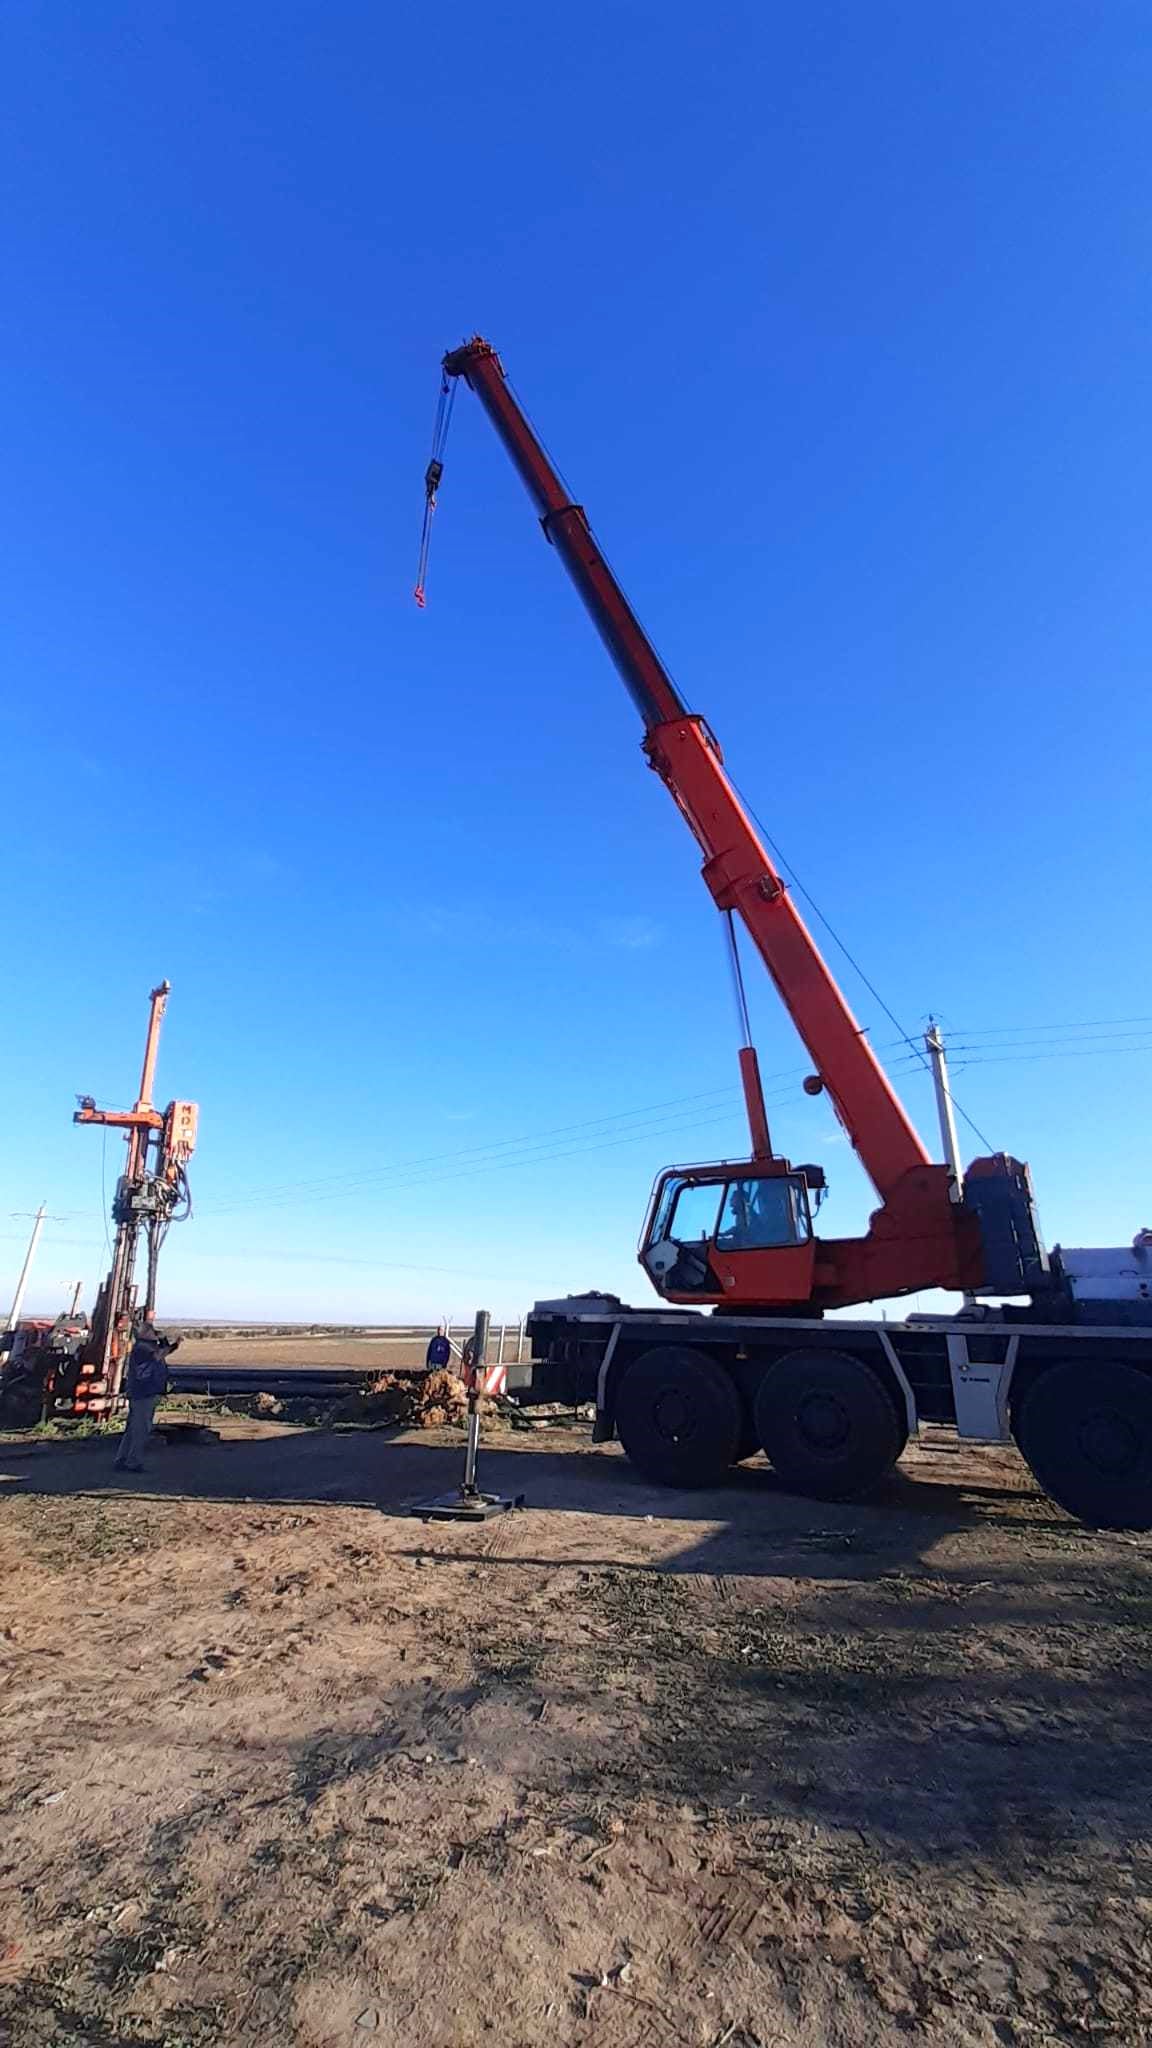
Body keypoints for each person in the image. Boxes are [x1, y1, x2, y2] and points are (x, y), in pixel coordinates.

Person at [113, 1324, 177, 1472]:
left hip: (142, 1392)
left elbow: (161, 1353)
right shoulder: (143, 1348)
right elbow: (158, 1355)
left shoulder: (146, 1346)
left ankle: (122, 1459)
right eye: (152, 1331)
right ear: (146, 1334)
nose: (155, 1333)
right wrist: (172, 1344)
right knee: (141, 1429)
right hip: (143, 1393)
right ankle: (133, 1462)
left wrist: (164, 1341)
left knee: (132, 1429)